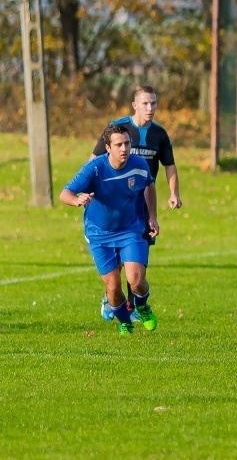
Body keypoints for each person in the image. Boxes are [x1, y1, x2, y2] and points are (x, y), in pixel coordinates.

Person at [92, 85, 182, 321]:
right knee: (118, 257)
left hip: (143, 204)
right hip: (117, 202)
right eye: (145, 103)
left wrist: (174, 193)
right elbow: (94, 160)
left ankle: (131, 307)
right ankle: (111, 295)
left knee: (137, 259)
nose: (150, 108)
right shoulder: (119, 128)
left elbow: (169, 166)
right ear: (134, 105)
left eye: (153, 103)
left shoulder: (159, 135)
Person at [61, 124, 159, 336]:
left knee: (136, 280)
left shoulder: (139, 165)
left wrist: (152, 216)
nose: (124, 148)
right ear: (108, 148)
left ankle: (142, 306)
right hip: (99, 235)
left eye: (127, 143)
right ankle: (125, 322)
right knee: (113, 288)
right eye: (118, 145)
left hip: (131, 230)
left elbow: (149, 185)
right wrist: (77, 199)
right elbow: (65, 193)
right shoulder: (95, 168)